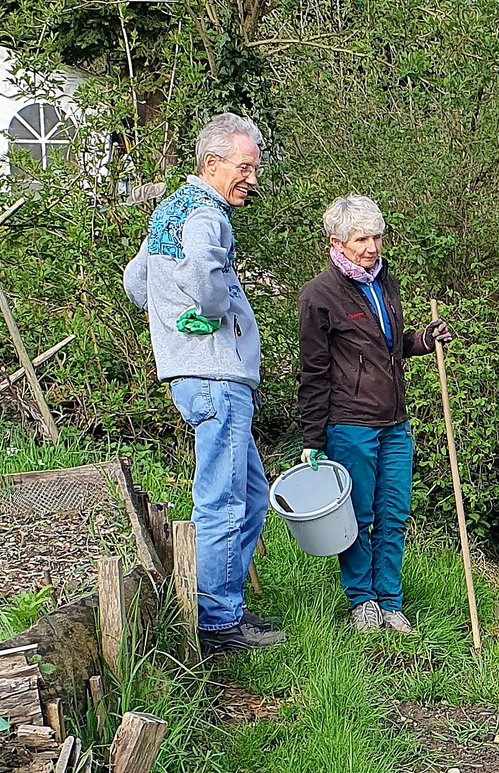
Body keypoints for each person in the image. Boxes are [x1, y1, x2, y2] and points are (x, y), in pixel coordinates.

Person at [123, 113, 284, 655]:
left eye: (253, 168)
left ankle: (227, 605)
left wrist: (173, 321)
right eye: (245, 167)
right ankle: (216, 624)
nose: (252, 178)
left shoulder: (168, 210)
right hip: (217, 375)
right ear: (211, 163)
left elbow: (136, 282)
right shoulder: (206, 215)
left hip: (196, 374)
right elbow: (203, 275)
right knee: (223, 500)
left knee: (253, 494)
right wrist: (212, 311)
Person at [296, 195, 452, 635]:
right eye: (360, 239)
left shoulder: (385, 283)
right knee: (359, 515)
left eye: (376, 237)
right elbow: (313, 371)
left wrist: (422, 340)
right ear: (337, 243)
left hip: (395, 422)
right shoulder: (319, 297)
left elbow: (387, 347)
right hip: (349, 424)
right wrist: (313, 438)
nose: (371, 247)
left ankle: (391, 601)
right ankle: (362, 601)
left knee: (394, 512)